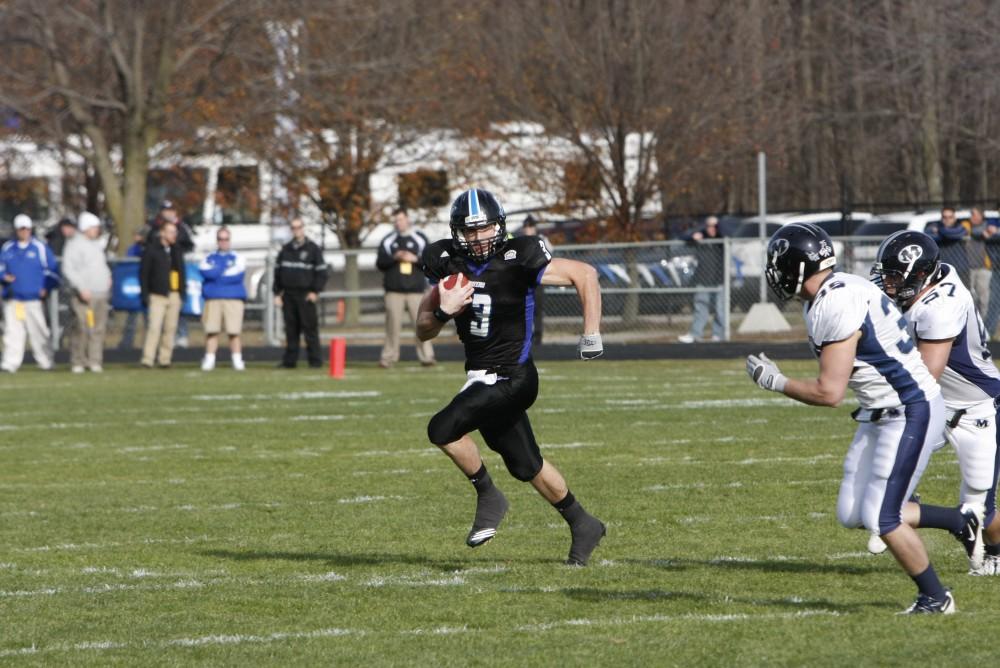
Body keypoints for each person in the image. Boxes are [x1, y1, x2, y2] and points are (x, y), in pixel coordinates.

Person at [745, 223, 980, 614]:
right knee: (853, 513)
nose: (774, 271)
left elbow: (829, 392)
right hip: (879, 412)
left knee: (884, 519)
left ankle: (936, 597)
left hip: (909, 408)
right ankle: (959, 521)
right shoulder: (831, 293)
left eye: (778, 263)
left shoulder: (834, 302)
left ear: (796, 267)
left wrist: (776, 381)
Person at [417, 188, 606, 566]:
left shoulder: (520, 257)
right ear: (457, 233)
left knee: (442, 428)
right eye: (469, 232)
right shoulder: (446, 262)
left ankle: (489, 495)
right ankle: (582, 522)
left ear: (498, 226)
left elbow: (584, 274)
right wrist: (443, 312)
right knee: (525, 465)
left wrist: (591, 333)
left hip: (514, 377)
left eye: (484, 228)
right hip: (480, 378)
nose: (477, 238)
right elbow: (422, 330)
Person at [872, 231, 1000, 575]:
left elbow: (926, 373)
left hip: (980, 408)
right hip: (941, 405)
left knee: (982, 512)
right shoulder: (934, 280)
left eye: (896, 276)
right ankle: (898, 508)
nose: (888, 282)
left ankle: (997, 552)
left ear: (920, 274)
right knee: (885, 477)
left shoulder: (940, 307)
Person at [375, 208, 434, 368]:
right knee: (392, 327)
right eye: (395, 220)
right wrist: (395, 258)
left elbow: (429, 262)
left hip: (416, 291)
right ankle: (388, 358)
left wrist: (414, 259)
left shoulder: (419, 238)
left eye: (400, 219)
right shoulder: (388, 240)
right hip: (394, 291)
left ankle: (427, 357)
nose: (398, 223)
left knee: (422, 325)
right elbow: (380, 263)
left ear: (407, 219)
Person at [0, 214, 59, 372]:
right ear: (16, 230)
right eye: (21, 229)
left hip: (34, 298)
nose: (24, 232)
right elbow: (1, 268)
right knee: (12, 332)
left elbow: (52, 271)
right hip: (14, 298)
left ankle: (46, 361)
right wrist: (4, 277)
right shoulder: (7, 248)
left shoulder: (39, 248)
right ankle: (10, 363)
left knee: (39, 331)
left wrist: (46, 287)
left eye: (26, 229)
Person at [61, 212, 111, 373]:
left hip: (100, 293)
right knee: (81, 327)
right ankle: (78, 361)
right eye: (94, 227)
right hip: (84, 294)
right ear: (85, 228)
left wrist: (108, 276)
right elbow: (69, 269)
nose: (97, 230)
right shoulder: (74, 245)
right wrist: (81, 287)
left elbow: (101, 265)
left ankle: (94, 360)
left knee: (98, 329)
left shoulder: (96, 244)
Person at [274, 218, 327, 368]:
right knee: (291, 330)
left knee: (310, 329)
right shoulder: (286, 250)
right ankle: (290, 361)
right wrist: (277, 293)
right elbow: (278, 273)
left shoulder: (313, 249)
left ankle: (315, 360)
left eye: (299, 227)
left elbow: (321, 273)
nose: (296, 230)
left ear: (303, 228)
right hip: (289, 295)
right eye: (293, 228)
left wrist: (315, 291)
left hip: (305, 295)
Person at [146, 200, 195, 347]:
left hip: (175, 272)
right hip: (160, 274)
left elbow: (189, 244)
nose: (168, 213)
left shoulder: (181, 226)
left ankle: (181, 335)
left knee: (177, 306)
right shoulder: (154, 226)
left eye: (171, 210)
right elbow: (148, 244)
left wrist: (176, 246)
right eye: (165, 210)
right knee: (156, 320)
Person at [198, 226, 246, 371]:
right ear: (217, 240)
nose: (223, 242)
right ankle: (210, 359)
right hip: (213, 298)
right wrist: (224, 267)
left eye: (226, 239)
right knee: (212, 331)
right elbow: (207, 273)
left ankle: (237, 359)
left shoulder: (238, 257)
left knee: (234, 331)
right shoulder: (209, 257)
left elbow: (237, 276)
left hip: (233, 298)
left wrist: (217, 272)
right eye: (220, 239)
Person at [139, 221, 185, 368]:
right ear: (163, 233)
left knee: (170, 328)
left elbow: (181, 272)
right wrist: (145, 294)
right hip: (157, 295)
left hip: (174, 294)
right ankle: (148, 359)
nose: (173, 235)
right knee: (154, 327)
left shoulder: (176, 250)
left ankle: (165, 359)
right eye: (170, 232)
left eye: (175, 232)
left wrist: (181, 293)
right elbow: (144, 274)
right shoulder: (152, 250)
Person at [678, 215, 725, 343]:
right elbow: (683, 237)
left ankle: (718, 335)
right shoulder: (701, 237)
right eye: (709, 225)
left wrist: (718, 228)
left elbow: (726, 234)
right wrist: (694, 236)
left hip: (719, 280)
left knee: (719, 309)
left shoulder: (721, 240)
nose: (711, 228)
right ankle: (695, 334)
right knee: (700, 307)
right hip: (703, 279)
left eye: (714, 226)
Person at [519, 215, 552, 345]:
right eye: (526, 227)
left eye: (530, 227)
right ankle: (525, 335)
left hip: (538, 278)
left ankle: (538, 335)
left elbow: (549, 254)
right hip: (523, 280)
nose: (528, 229)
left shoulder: (542, 239)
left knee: (537, 308)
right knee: (522, 308)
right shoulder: (519, 240)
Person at [117, 230, 147, 350]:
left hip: (145, 287)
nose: (137, 238)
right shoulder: (133, 249)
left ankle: (148, 344)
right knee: (131, 318)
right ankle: (127, 342)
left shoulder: (147, 248)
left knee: (148, 318)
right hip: (133, 286)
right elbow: (129, 261)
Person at [926, 207, 969, 287]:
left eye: (950, 217)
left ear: (954, 218)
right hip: (942, 270)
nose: (947, 219)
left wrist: (940, 230)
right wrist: (943, 233)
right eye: (944, 217)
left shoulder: (960, 227)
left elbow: (955, 234)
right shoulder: (932, 227)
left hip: (961, 269)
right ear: (941, 218)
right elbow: (928, 235)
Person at [964, 207, 991, 317]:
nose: (972, 217)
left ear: (981, 216)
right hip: (967, 267)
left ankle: (983, 322)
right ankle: (971, 319)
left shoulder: (987, 225)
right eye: (971, 214)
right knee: (969, 296)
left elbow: (991, 232)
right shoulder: (966, 225)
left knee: (984, 297)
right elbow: (973, 231)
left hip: (984, 267)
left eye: (974, 214)